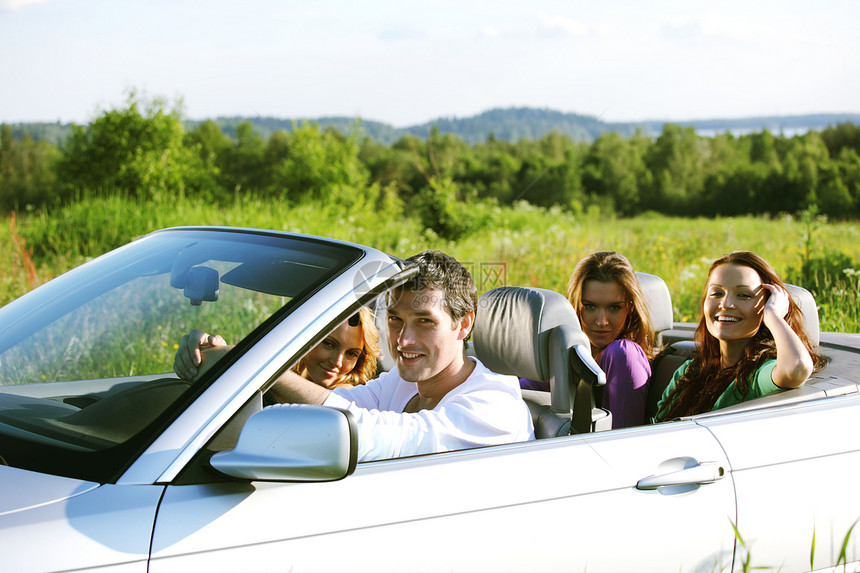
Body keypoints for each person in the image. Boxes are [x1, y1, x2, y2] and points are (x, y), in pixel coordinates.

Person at [177, 250, 535, 462]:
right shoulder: (400, 384)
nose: (404, 340)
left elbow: (372, 434)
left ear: (463, 324)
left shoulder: (495, 405)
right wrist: (222, 361)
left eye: (424, 322)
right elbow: (329, 405)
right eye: (395, 320)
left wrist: (248, 363)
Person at [655, 251, 825, 421]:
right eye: (716, 293)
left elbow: (798, 368)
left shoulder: (758, 375)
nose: (726, 304)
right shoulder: (688, 371)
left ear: (766, 306)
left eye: (744, 295)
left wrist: (773, 316)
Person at [520, 251, 657, 429]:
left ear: (630, 308)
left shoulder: (624, 354)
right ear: (575, 305)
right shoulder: (564, 354)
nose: (602, 321)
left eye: (614, 307)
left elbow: (623, 442)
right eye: (590, 306)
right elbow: (517, 395)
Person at [175, 306, 380, 389]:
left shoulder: (346, 396)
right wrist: (209, 352)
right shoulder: (285, 377)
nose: (337, 362)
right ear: (306, 339)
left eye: (351, 353)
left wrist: (230, 359)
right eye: (329, 344)